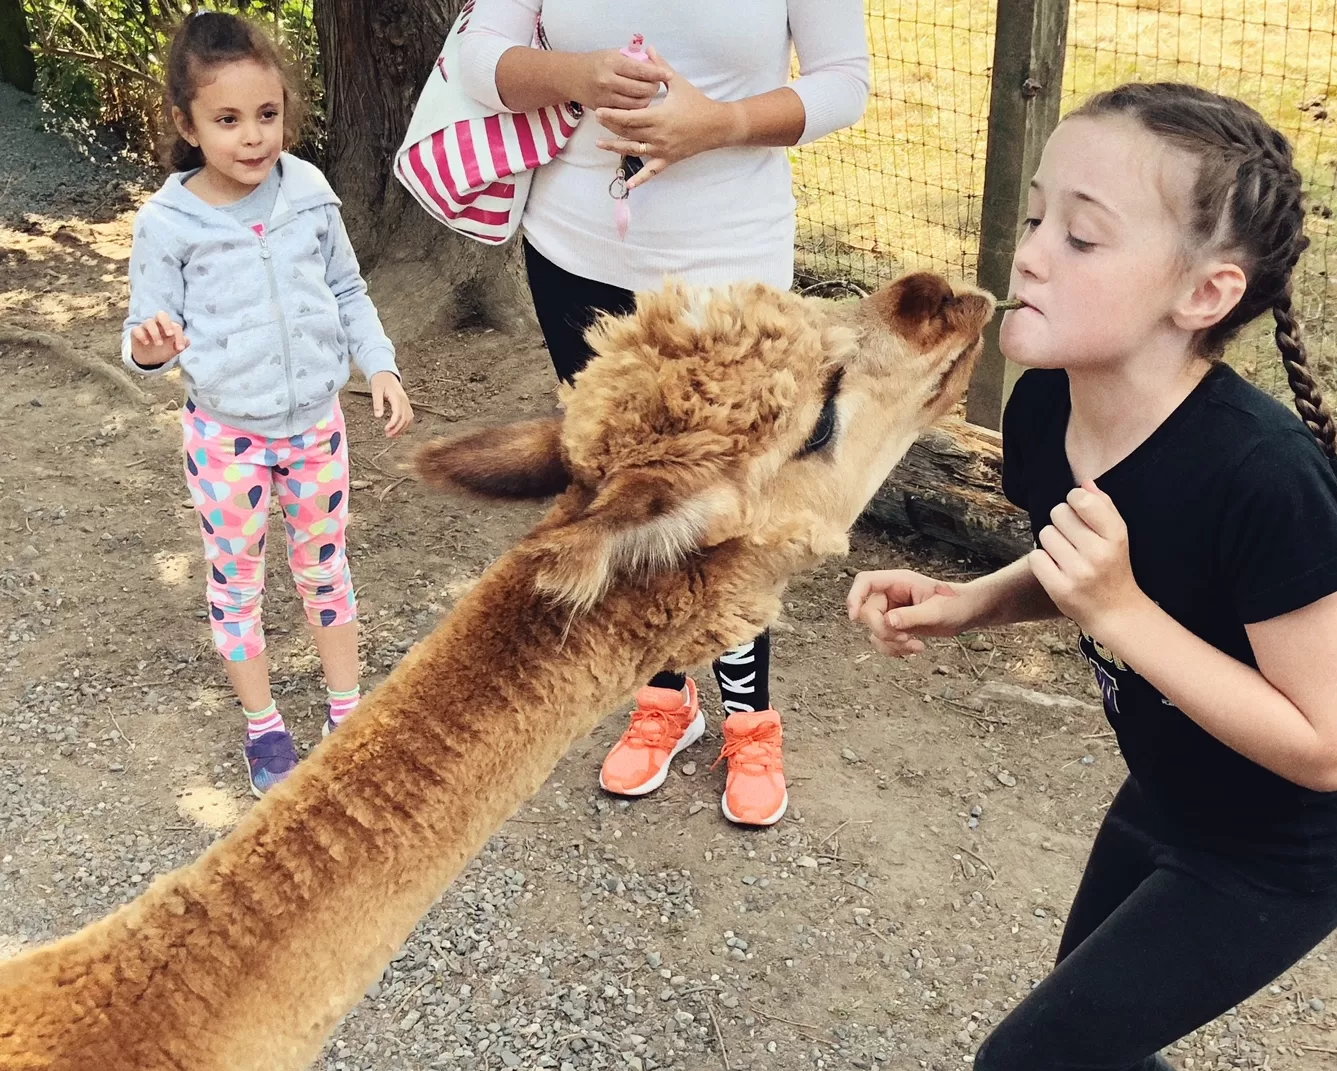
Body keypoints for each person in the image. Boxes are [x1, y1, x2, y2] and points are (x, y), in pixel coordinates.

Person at [847, 82, 1337, 1071]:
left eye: (1078, 234)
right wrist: (960, 605)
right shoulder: (1048, 404)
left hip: (1286, 850)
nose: (1025, 250)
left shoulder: (1259, 475)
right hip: (1174, 793)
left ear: (1201, 293)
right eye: (1036, 214)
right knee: (1083, 1017)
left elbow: (1324, 747)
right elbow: (1074, 571)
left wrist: (1120, 614)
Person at [457, 0, 869, 826]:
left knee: (731, 501)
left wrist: (720, 123)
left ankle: (750, 720)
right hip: (574, 256)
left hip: (728, 268)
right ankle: (664, 696)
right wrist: (578, 73)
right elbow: (476, 57)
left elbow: (844, 83)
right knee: (620, 493)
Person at [122, 11, 413, 798]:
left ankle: (346, 713)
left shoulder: (310, 190)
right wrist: (151, 348)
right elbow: (144, 336)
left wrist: (378, 366)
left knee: (326, 568)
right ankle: (264, 728)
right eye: (227, 120)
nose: (253, 137)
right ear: (187, 124)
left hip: (316, 427)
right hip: (227, 439)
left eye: (267, 115)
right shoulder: (167, 223)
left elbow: (348, 288)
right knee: (237, 581)